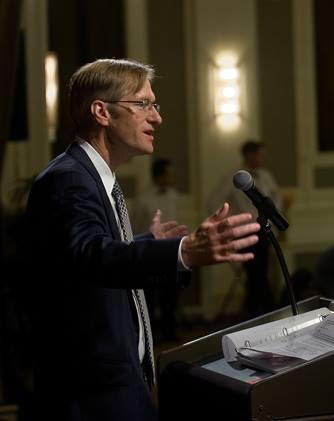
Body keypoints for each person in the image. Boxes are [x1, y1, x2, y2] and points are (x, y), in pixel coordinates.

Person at [25, 59, 260, 421]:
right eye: (144, 104)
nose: (157, 117)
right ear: (102, 112)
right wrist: (183, 252)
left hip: (114, 384)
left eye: (156, 105)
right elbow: (90, 256)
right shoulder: (69, 179)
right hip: (92, 395)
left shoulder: (93, 177)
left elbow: (81, 258)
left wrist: (142, 242)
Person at [208, 140, 281, 318]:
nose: (263, 158)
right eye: (259, 154)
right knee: (254, 272)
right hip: (246, 229)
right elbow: (213, 202)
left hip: (264, 229)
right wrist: (227, 224)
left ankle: (258, 311)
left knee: (261, 271)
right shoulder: (234, 177)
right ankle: (261, 311)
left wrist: (272, 220)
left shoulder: (266, 175)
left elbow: (275, 198)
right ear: (248, 155)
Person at [133, 158, 181, 341]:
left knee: (170, 295)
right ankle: (150, 335)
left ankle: (170, 333)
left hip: (171, 251)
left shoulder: (174, 195)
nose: (173, 177)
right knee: (150, 298)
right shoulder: (143, 199)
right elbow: (136, 226)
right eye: (169, 173)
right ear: (159, 176)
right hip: (151, 252)